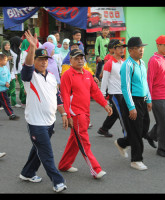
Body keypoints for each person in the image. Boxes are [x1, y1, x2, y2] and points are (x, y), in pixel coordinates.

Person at [19, 30, 67, 193]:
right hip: (36, 123)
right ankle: (58, 181)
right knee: (46, 153)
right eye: (40, 59)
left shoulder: (52, 76)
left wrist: (63, 113)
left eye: (46, 59)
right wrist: (32, 48)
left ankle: (27, 173)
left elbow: (57, 97)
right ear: (35, 60)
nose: (44, 62)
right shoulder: (30, 76)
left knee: (38, 149)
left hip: (49, 121)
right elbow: (27, 66)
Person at [58, 48, 113, 179]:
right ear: (70, 60)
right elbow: (64, 96)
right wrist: (68, 115)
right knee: (84, 141)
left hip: (86, 113)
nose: (80, 60)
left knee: (75, 140)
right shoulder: (67, 75)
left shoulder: (88, 74)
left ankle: (64, 165)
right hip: (76, 114)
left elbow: (95, 92)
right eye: (76, 58)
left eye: (81, 58)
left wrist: (105, 104)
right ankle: (96, 169)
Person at [114, 37, 153, 171]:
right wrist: (132, 107)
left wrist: (148, 99)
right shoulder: (127, 65)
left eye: (142, 47)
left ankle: (122, 142)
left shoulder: (142, 63)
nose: (142, 50)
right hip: (132, 101)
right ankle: (136, 160)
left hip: (142, 100)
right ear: (130, 50)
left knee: (143, 129)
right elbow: (125, 88)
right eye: (138, 48)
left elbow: (145, 82)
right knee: (136, 131)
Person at [147, 35, 165, 158]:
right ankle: (162, 149)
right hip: (158, 96)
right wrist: (148, 99)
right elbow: (149, 80)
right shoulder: (154, 60)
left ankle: (152, 135)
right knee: (163, 123)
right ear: (158, 45)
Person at [97, 40, 126, 137]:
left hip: (123, 93)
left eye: (123, 48)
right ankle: (127, 134)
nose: (122, 50)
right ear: (114, 49)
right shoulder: (109, 63)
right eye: (119, 48)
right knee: (122, 114)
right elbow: (104, 80)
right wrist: (102, 95)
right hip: (114, 93)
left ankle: (103, 129)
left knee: (115, 113)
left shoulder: (123, 62)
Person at [0, 54, 20, 120]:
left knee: (4, 101)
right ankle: (11, 114)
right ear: (0, 61)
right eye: (5, 60)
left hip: (5, 88)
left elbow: (9, 75)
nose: (6, 61)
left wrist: (8, 82)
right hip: (1, 89)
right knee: (6, 101)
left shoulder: (5, 67)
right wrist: (4, 84)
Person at [9, 36, 24, 108]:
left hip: (19, 71)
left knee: (20, 86)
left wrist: (20, 72)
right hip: (11, 71)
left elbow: (19, 63)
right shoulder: (10, 51)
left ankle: (19, 101)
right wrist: (14, 73)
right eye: (20, 43)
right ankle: (13, 102)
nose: (21, 44)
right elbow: (12, 64)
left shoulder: (19, 50)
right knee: (12, 87)